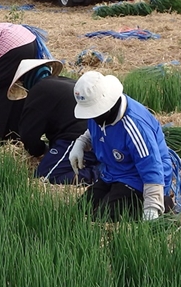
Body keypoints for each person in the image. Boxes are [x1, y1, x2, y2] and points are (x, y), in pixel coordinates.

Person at [68, 71, 173, 221]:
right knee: (81, 210)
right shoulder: (99, 117)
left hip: (138, 179)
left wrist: (152, 207)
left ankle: (164, 204)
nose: (93, 117)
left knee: (103, 217)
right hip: (113, 173)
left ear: (107, 105)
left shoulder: (134, 125)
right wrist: (81, 143)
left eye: (95, 112)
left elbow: (152, 167)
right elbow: (94, 131)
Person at [7, 59, 99, 184]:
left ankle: (101, 173)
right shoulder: (65, 81)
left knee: (46, 176)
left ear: (25, 81)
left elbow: (28, 135)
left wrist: (40, 150)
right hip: (99, 136)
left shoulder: (39, 91)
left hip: (77, 140)